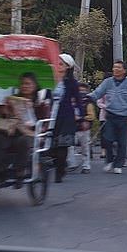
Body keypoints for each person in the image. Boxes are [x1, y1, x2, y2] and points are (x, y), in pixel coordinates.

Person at [86, 61, 127, 174]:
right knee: (107, 139)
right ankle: (109, 160)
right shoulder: (107, 82)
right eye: (114, 67)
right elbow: (97, 93)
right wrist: (86, 96)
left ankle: (118, 164)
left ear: (124, 70)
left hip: (124, 117)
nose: (116, 69)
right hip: (110, 115)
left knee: (122, 142)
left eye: (119, 67)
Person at [51, 53, 82, 183]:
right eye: (57, 63)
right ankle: (58, 166)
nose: (58, 66)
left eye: (61, 64)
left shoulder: (72, 83)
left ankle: (59, 172)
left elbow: (78, 100)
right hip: (52, 116)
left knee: (62, 146)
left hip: (66, 117)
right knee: (51, 145)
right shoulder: (51, 80)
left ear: (68, 66)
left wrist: (82, 116)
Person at [76, 83, 95, 173]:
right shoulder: (72, 101)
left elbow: (91, 116)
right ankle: (70, 163)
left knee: (85, 147)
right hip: (72, 127)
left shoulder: (88, 102)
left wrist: (82, 118)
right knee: (69, 147)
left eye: (84, 91)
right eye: (79, 90)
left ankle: (86, 166)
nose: (81, 93)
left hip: (84, 128)